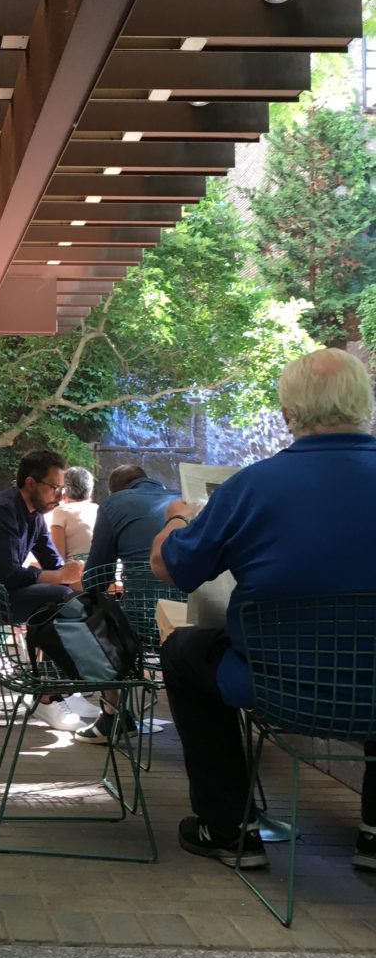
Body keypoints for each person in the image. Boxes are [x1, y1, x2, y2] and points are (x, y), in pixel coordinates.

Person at [151, 347, 376, 871]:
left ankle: (229, 829)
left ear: (287, 415)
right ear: (365, 404)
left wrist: (178, 521)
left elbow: (173, 569)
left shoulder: (251, 486)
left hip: (276, 687)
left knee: (184, 649)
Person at [0, 449, 84, 730]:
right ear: (31, 483)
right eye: (54, 488)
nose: (59, 496)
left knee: (73, 599)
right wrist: (60, 578)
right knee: (58, 598)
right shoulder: (4, 510)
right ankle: (48, 695)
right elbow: (10, 575)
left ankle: (61, 687)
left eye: (62, 489)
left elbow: (55, 563)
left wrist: (80, 581)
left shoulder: (35, 515)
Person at [74, 463, 181, 745]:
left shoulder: (114, 504)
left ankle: (112, 716)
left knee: (93, 616)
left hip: (144, 623)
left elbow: (97, 577)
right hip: (190, 620)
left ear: (116, 489)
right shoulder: (183, 500)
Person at [46, 466, 99, 561]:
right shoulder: (98, 509)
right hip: (102, 570)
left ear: (63, 489)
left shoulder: (61, 511)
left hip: (77, 572)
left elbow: (58, 558)